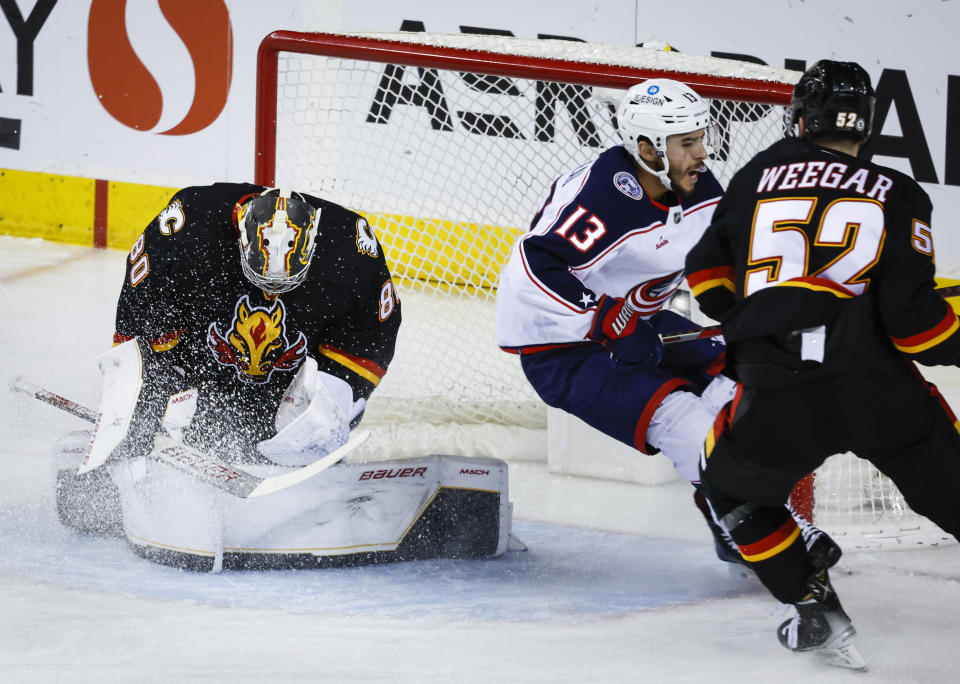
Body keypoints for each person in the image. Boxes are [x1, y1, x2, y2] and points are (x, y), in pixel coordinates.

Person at [55, 184, 514, 570]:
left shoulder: (351, 248)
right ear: (240, 239)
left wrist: (335, 404)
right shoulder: (186, 227)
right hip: (199, 348)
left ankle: (297, 451)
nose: (270, 291)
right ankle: (166, 435)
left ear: (311, 245)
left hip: (290, 362)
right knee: (171, 419)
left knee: (296, 437)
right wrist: (135, 420)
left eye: (284, 284)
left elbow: (370, 334)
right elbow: (139, 326)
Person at [685, 60, 960, 668]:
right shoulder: (902, 194)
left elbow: (704, 275)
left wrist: (758, 326)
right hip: (876, 391)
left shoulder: (759, 173)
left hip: (778, 393)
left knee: (730, 491)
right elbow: (918, 333)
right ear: (867, 125)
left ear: (801, 118)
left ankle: (815, 607)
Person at [495, 79, 826, 563]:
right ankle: (771, 530)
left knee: (748, 387)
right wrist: (607, 319)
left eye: (701, 138)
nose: (702, 153)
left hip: (639, 323)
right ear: (647, 148)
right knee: (681, 420)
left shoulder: (690, 183)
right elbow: (530, 271)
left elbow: (729, 255)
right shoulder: (602, 200)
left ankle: (727, 519)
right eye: (687, 143)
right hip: (561, 347)